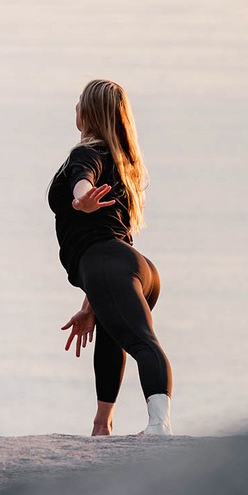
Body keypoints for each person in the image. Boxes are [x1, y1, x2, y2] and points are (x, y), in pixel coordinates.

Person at [51, 78, 173, 437]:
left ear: (88, 112)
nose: (74, 107)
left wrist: (81, 199)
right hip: (134, 268)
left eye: (78, 102)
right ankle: (102, 425)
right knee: (112, 338)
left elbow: (82, 180)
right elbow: (114, 233)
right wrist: (91, 305)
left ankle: (159, 427)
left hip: (110, 264)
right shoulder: (122, 164)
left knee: (141, 341)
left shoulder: (86, 153)